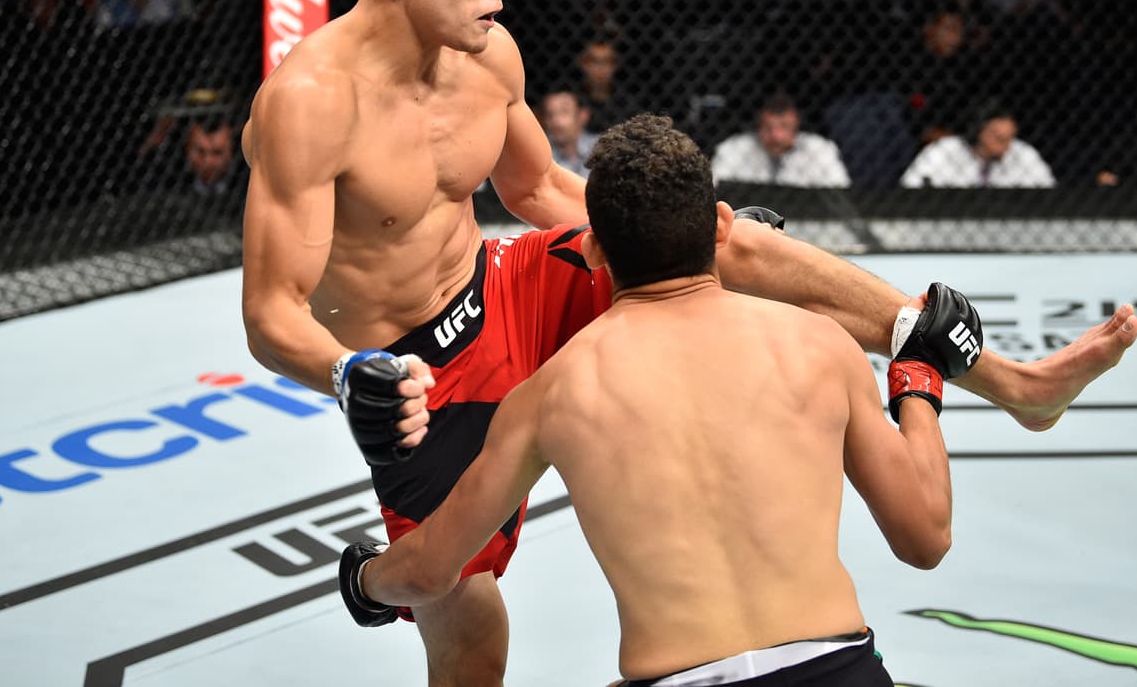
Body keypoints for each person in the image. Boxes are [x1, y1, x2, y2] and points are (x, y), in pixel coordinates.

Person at [239, 0, 1137, 686]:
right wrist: (347, 372)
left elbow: (538, 189)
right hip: (415, 372)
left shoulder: (487, 55)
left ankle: (1017, 386)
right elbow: (272, 311)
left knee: (722, 237)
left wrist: (671, 232)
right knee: (469, 628)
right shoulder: (312, 102)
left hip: (503, 288)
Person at [339, 114, 960, 685]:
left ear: (592, 249)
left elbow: (429, 572)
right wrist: (917, 385)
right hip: (838, 669)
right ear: (724, 226)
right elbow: (925, 538)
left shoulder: (551, 394)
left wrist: (367, 582)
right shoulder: (820, 344)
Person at [711, 90, 851, 187]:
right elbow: (713, 190)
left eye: (784, 126)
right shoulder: (733, 149)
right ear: (758, 127)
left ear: (796, 126)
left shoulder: (820, 149)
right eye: (768, 128)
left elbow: (841, 190)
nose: (776, 136)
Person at [899, 103, 1056, 188]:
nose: (1007, 147)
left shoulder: (1023, 153)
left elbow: (1049, 190)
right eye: (999, 139)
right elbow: (910, 186)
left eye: (1010, 138)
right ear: (977, 132)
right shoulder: (944, 151)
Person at [537, 86, 597, 177]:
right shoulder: (540, 154)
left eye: (564, 112)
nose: (556, 121)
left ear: (583, 116)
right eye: (550, 115)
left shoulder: (601, 148)